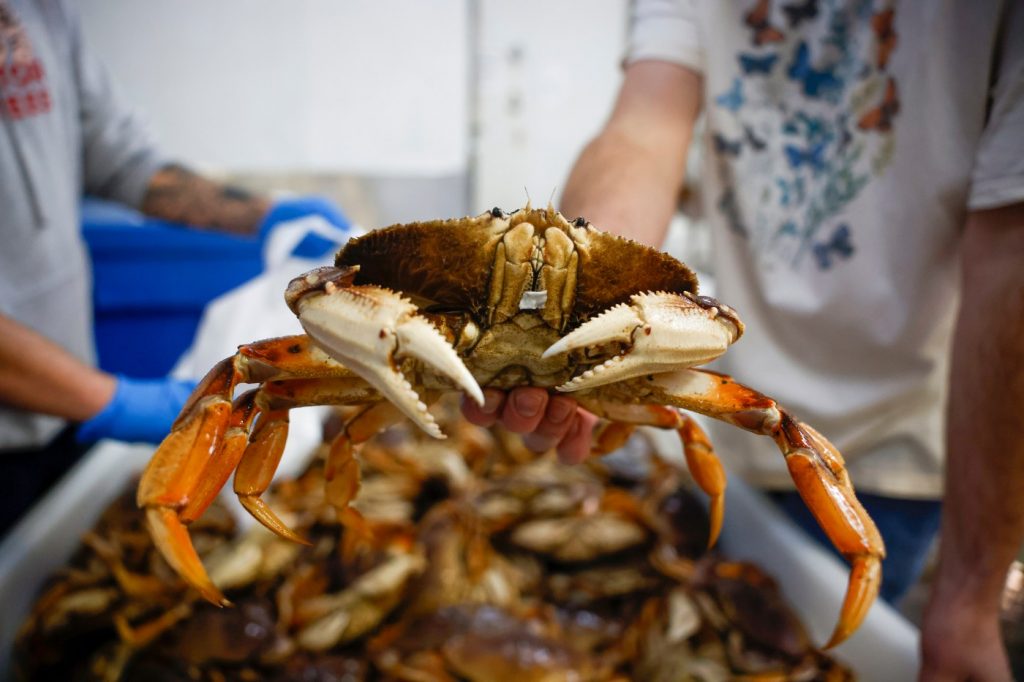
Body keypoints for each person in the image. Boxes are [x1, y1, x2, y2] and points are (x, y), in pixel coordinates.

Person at [465, 1, 1023, 679]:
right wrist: (580, 310)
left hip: (890, 442)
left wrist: (969, 602)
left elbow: (1012, 245)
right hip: (716, 418)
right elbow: (643, 131)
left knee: (804, 650)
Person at [0, 0, 347, 536]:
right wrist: (113, 403)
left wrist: (267, 215)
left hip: (62, 415)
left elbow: (125, 163)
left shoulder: (45, 14)